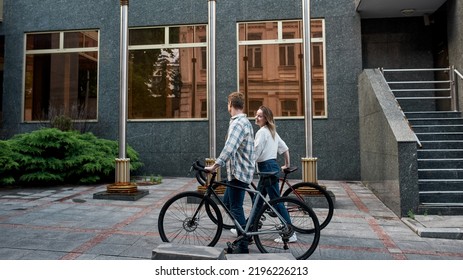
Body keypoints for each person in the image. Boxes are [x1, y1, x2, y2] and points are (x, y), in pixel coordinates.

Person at [205, 91, 255, 254]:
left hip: (239, 173)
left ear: (230, 105)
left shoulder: (238, 123)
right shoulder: (244, 122)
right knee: (228, 203)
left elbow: (230, 148)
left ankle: (243, 244)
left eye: (228, 104)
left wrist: (215, 166)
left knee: (236, 207)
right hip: (238, 172)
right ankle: (245, 234)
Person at [251, 105, 297, 243]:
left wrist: (247, 165)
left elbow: (256, 151)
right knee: (258, 201)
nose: (256, 117)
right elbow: (285, 149)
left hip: (267, 168)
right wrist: (287, 164)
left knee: (276, 202)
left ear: (266, 119)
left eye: (259, 116)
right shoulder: (272, 132)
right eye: (256, 114)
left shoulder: (262, 132)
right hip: (270, 167)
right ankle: (249, 227)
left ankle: (290, 232)